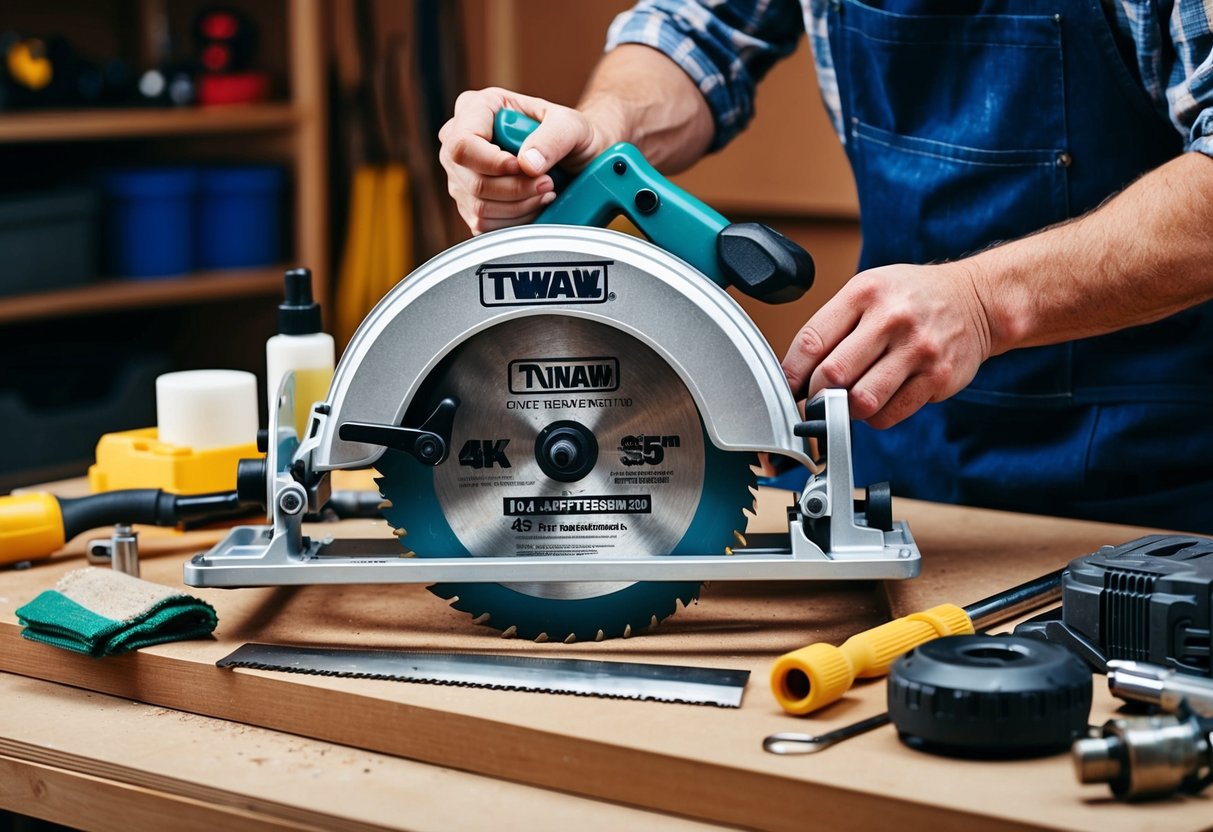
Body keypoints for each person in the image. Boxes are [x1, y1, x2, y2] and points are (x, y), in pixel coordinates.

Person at [438, 0, 1213, 534]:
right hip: (896, 449)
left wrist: (982, 302)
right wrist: (596, 138)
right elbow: (696, 31)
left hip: (1152, 492)